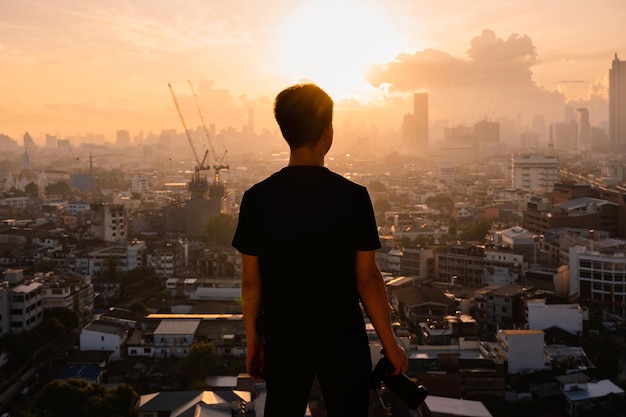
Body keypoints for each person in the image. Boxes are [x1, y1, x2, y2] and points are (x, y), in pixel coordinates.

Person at [232, 83, 408, 417]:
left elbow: (251, 282)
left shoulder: (257, 198)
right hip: (342, 338)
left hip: (283, 339)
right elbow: (367, 280)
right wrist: (391, 344)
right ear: (329, 131)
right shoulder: (353, 196)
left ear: (285, 131)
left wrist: (253, 339)